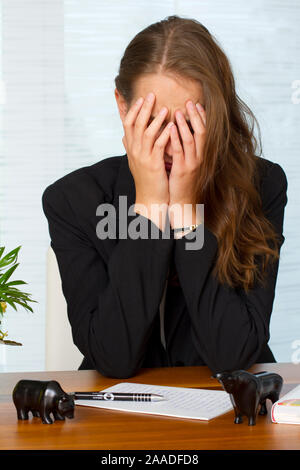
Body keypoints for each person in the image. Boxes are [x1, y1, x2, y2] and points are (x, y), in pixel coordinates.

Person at [42, 15, 288, 378]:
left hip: (229, 414)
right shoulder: (73, 200)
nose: (171, 144)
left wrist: (188, 213)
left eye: (188, 123)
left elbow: (233, 355)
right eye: (154, 122)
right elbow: (113, 358)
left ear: (214, 115)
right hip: (122, 417)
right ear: (123, 108)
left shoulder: (262, 185)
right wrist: (151, 208)